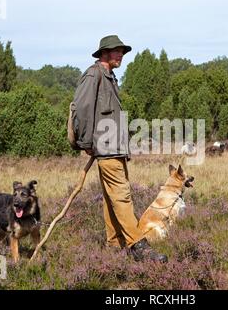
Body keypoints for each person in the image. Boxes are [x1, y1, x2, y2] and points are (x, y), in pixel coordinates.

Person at [72, 35, 167, 263]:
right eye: (117, 51)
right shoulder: (94, 74)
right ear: (105, 52)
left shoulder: (110, 77)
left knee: (111, 199)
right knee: (122, 198)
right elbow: (81, 109)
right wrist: (85, 143)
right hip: (106, 149)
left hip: (115, 149)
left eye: (123, 51)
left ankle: (115, 245)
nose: (121, 55)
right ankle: (138, 247)